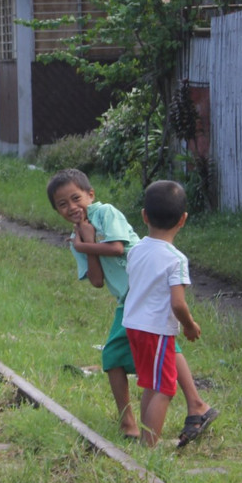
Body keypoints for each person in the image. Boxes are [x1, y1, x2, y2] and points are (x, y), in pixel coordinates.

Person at [47, 169, 213, 443]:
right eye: (62, 204)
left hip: (145, 289)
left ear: (90, 194)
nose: (72, 207)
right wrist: (85, 242)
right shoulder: (76, 240)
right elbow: (97, 281)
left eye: (76, 198)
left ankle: (151, 423)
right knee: (148, 353)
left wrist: (86, 245)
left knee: (139, 356)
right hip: (130, 300)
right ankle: (175, 411)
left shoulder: (106, 213)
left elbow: (116, 248)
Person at [123, 180, 218, 447]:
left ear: (144, 216)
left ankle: (146, 440)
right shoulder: (176, 259)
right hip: (156, 330)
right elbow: (178, 303)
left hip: (133, 325)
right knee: (164, 389)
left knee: (151, 385)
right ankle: (149, 446)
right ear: (183, 220)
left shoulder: (136, 250)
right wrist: (189, 325)